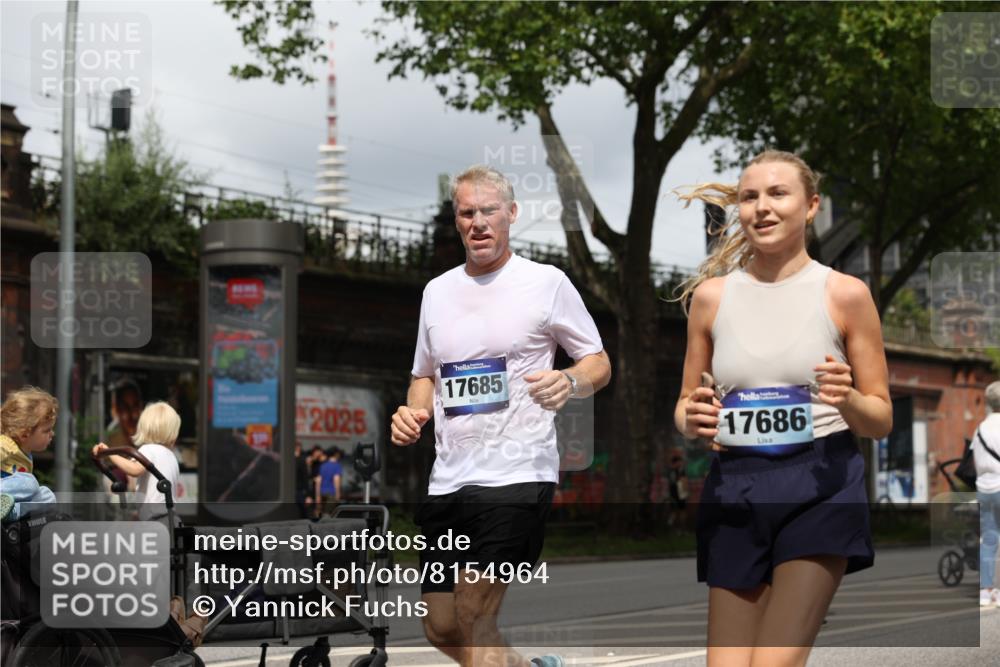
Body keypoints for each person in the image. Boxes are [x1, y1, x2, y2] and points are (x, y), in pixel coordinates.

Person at [672, 150, 892, 665]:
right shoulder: (710, 298)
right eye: (750, 197)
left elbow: (880, 418)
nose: (762, 207)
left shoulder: (845, 294)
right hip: (735, 484)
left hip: (821, 483)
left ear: (811, 206)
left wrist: (848, 398)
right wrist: (693, 418)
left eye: (778, 194)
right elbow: (684, 406)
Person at [391, 165, 612, 667]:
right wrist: (414, 412)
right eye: (467, 213)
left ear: (511, 213)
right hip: (450, 479)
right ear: (457, 219)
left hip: (517, 472)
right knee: (441, 626)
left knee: (473, 612)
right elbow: (424, 374)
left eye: (489, 211)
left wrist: (570, 381)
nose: (478, 223)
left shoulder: (545, 283)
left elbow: (598, 362)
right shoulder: (437, 292)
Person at [93, 401, 182, 522]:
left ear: (144, 428)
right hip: (170, 517)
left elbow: (134, 470)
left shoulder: (148, 450)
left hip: (155, 520)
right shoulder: (171, 457)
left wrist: (110, 453)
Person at [0, 387, 58, 520]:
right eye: (47, 430)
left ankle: (12, 512)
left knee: (47, 496)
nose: (52, 434)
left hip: (9, 499)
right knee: (30, 483)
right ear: (25, 434)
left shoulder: (25, 453)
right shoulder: (6, 445)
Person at [973, 381, 1000, 608]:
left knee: (989, 539)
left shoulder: (980, 429)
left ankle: (986, 591)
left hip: (984, 488)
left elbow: (975, 460)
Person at [105, 379, 144, 493]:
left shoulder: (148, 437)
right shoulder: (111, 438)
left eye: (135, 406)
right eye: (126, 408)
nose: (132, 415)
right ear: (116, 410)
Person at [317, 447, 343, 515]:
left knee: (322, 512)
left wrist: (318, 495)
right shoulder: (336, 465)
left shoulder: (323, 465)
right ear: (336, 454)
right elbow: (336, 479)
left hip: (322, 492)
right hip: (331, 492)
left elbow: (319, 481)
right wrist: (338, 493)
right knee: (329, 514)